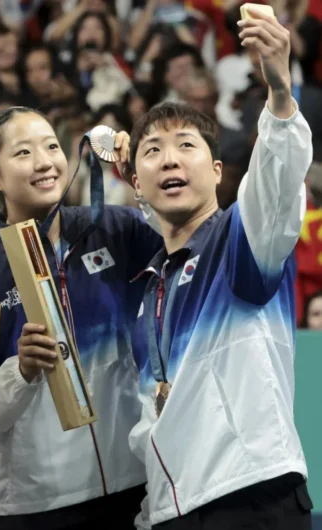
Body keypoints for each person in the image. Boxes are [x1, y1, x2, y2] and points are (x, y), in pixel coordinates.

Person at [126, 12, 313, 530]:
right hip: (173, 510)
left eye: (187, 146)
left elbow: (276, 179)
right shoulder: (147, 291)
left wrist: (279, 91)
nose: (169, 160)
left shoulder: (242, 239)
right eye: (152, 151)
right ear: (136, 184)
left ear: (216, 171)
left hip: (249, 496)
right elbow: (153, 417)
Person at [0, 107, 162, 530]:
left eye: (51, 146)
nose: (45, 162)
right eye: (23, 153)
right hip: (39, 504)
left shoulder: (118, 230)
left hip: (135, 482)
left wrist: (144, 171)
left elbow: (189, 242)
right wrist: (20, 372)